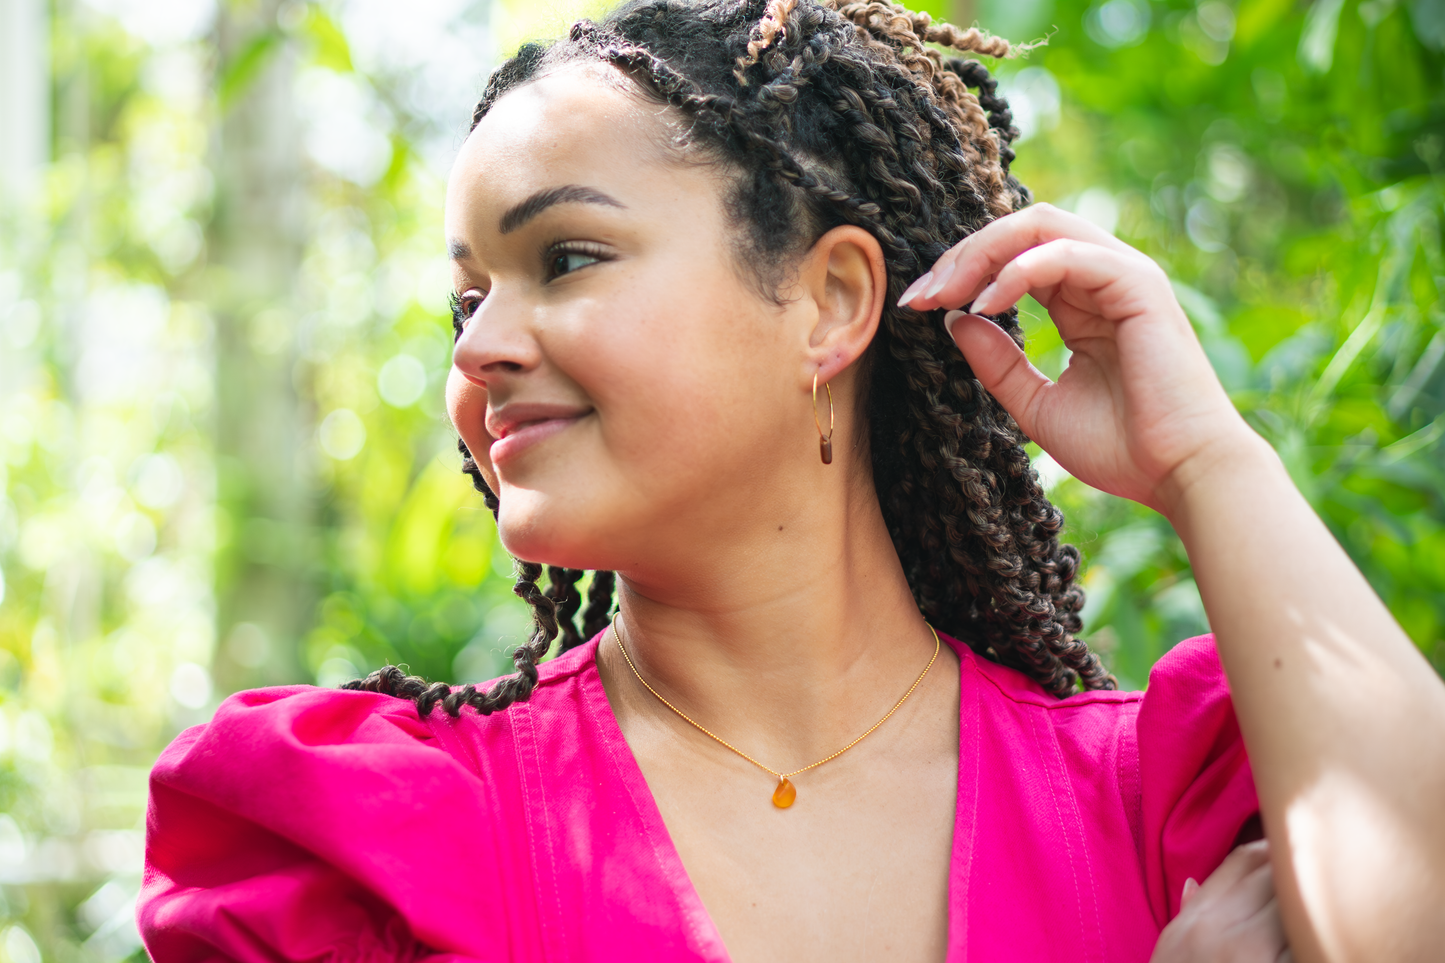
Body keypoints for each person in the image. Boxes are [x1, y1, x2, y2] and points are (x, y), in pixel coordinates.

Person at [138, 1, 1445, 961]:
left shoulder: (1157, 798)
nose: (480, 347)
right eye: (466, 298)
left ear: (829, 301)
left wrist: (1208, 460)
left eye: (567, 258)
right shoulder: (381, 839)